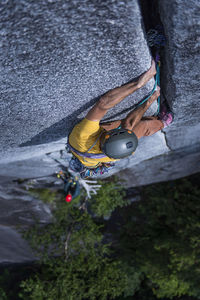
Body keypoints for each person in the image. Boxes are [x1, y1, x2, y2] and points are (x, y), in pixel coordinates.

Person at [68, 60, 173, 177]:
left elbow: (103, 103)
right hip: (94, 157)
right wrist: (150, 100)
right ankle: (162, 123)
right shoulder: (112, 156)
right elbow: (129, 124)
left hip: (84, 149)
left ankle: (150, 116)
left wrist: (139, 83)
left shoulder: (84, 135)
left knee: (124, 124)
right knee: (142, 127)